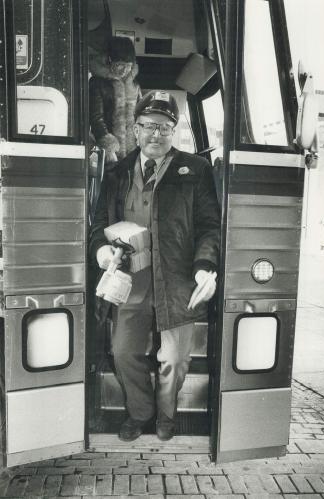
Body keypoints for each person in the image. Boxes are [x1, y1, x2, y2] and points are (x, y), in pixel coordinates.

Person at [89, 90, 220, 441]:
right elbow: (97, 226)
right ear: (135, 129)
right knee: (123, 352)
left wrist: (205, 266)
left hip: (178, 282)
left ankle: (165, 415)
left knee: (175, 360)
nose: (156, 134)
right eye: (149, 126)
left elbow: (210, 226)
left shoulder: (197, 170)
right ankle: (141, 412)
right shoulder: (116, 173)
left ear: (174, 130)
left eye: (165, 127)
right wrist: (102, 253)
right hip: (131, 281)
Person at [89, 36, 141, 163]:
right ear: (109, 61)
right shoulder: (97, 83)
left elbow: (141, 115)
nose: (124, 70)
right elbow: (96, 118)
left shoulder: (134, 85)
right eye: (119, 65)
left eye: (128, 66)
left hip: (133, 150)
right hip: (109, 152)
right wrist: (108, 148)